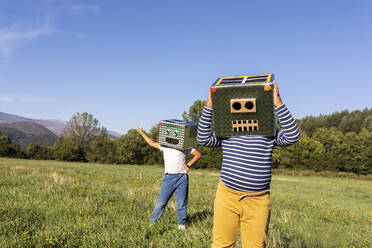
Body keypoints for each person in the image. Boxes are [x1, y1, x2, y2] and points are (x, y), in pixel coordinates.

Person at [197, 81, 300, 247]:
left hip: (258, 201)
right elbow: (203, 138)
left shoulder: (268, 132)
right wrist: (209, 105)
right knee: (221, 245)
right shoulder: (228, 130)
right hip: (227, 196)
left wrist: (278, 102)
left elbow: (293, 136)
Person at [137, 126, 201, 230]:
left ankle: (181, 224)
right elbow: (152, 143)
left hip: (182, 177)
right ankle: (152, 224)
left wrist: (188, 165)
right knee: (161, 203)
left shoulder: (184, 145)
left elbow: (197, 155)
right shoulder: (165, 145)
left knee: (181, 203)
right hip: (169, 178)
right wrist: (142, 133)